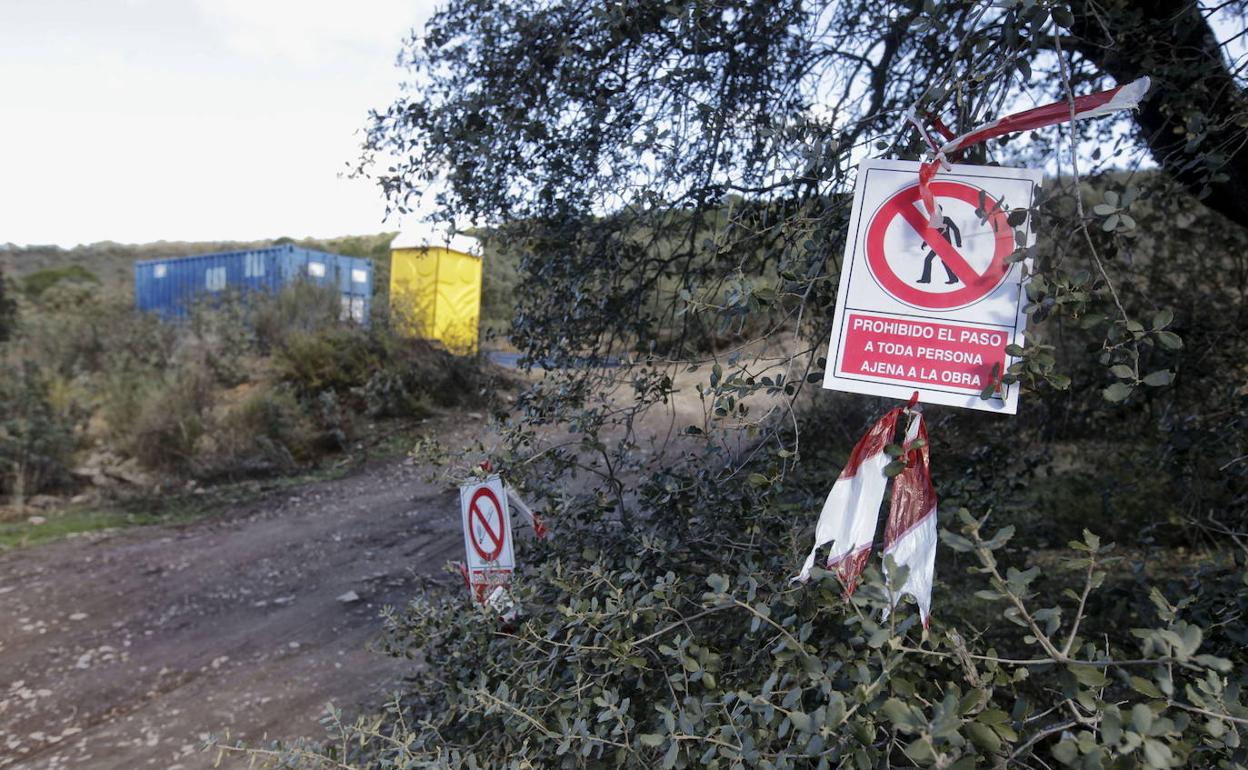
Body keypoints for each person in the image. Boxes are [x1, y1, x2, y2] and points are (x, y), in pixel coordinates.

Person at [918, 215, 961, 285]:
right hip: (937, 245)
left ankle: (953, 278)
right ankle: (926, 279)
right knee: (929, 259)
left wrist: (958, 242)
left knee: (940, 260)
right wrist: (925, 243)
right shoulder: (933, 221)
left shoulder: (946, 219)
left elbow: (955, 229)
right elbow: (930, 233)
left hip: (946, 244)